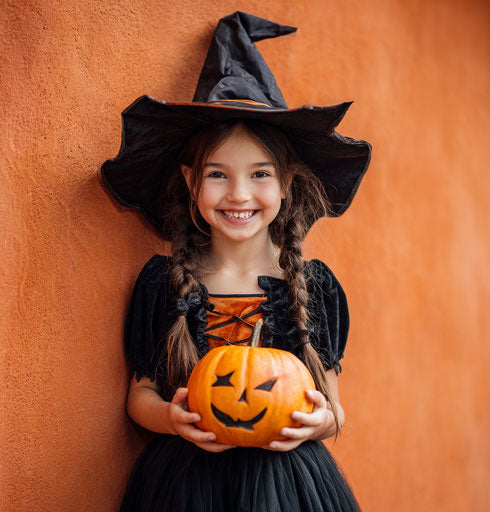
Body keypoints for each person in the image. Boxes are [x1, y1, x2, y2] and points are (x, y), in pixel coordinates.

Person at [101, 11, 371, 512]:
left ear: (286, 183)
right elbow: (139, 395)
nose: (239, 194)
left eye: (260, 174)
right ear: (190, 182)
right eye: (218, 174)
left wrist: (321, 422)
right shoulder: (165, 283)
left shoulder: (313, 286)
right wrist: (170, 418)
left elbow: (332, 404)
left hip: (289, 484)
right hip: (185, 483)